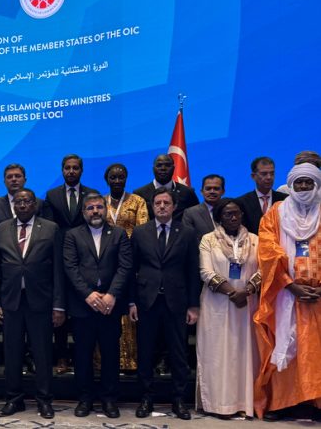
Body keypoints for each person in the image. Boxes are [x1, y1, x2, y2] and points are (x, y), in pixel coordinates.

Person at [254, 163, 321, 421]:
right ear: (291, 185)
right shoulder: (276, 213)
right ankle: (282, 403)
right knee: (284, 346)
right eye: (299, 182)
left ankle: (315, 403)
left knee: (315, 352)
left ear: (316, 184)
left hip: (317, 298)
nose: (303, 186)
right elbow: (267, 252)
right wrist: (290, 285)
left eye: (308, 182)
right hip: (285, 295)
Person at [0, 189, 64, 419]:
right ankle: (14, 399)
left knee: (42, 354)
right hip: (11, 301)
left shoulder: (51, 228)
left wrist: (58, 305)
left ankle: (44, 400)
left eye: (27, 201)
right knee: (12, 354)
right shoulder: (2, 228)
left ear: (35, 204)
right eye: (18, 201)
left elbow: (58, 270)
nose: (22, 205)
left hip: (40, 301)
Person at [129, 187, 200, 420]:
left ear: (174, 207)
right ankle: (146, 398)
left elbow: (192, 271)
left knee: (178, 353)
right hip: (146, 302)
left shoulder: (187, 232)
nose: (161, 206)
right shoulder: (140, 232)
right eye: (158, 203)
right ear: (152, 206)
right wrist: (131, 302)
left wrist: (193, 305)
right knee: (146, 352)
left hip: (176, 302)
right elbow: (131, 270)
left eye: (166, 203)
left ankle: (178, 400)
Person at [64, 193, 132, 418]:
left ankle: (109, 399)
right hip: (83, 306)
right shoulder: (73, 235)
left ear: (105, 209)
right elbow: (70, 268)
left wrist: (112, 295)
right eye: (90, 208)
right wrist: (88, 294)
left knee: (110, 355)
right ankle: (85, 399)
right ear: (84, 212)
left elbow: (125, 267)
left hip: (110, 306)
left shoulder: (119, 233)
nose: (95, 211)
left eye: (99, 207)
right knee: (82, 355)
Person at [196, 198, 260, 418]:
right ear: (219, 217)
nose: (233, 217)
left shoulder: (255, 240)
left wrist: (247, 291)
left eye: (237, 213)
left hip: (247, 305)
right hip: (217, 305)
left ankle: (245, 403)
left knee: (245, 354)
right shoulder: (208, 240)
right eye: (227, 214)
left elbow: (263, 270)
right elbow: (206, 272)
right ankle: (218, 404)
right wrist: (233, 293)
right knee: (218, 355)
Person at [42, 154, 97, 374]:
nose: (71, 171)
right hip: (59, 257)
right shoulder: (52, 195)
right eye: (67, 168)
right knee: (60, 309)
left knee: (84, 311)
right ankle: (62, 356)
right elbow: (48, 229)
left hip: (86, 258)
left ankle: (87, 357)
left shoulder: (91, 194)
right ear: (62, 170)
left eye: (75, 168)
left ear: (81, 170)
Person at [103, 163, 148, 371]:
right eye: (113, 177)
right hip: (104, 262)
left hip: (130, 261)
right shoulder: (100, 202)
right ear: (107, 180)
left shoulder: (138, 201)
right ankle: (103, 360)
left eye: (121, 177)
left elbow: (142, 231)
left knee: (128, 308)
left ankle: (129, 360)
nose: (117, 180)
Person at [133, 154, 200, 221]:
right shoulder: (140, 194)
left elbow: (196, 217)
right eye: (159, 165)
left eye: (167, 165)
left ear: (173, 168)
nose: (163, 168)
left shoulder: (187, 192)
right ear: (153, 169)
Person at [237, 157, 288, 235]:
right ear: (253, 176)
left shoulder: (285, 200)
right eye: (264, 174)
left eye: (272, 173)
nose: (269, 177)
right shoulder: (242, 202)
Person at [183, 174, 225, 243]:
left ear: (223, 192)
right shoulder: (190, 213)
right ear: (202, 192)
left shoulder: (231, 211)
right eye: (208, 189)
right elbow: (188, 239)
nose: (212, 191)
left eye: (216, 188)